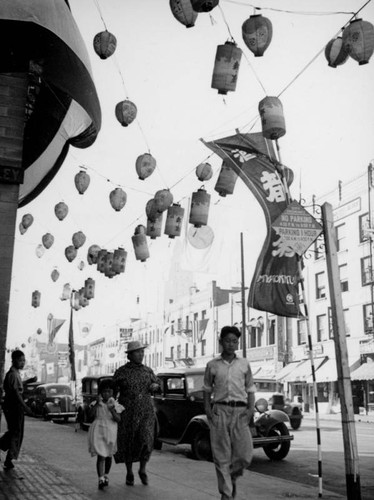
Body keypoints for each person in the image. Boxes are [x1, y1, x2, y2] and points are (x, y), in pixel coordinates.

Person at [203, 326, 255, 500]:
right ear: (221, 342)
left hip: (240, 412)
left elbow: (250, 389)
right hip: (220, 411)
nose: (231, 344)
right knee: (221, 456)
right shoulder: (212, 365)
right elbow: (206, 389)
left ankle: (231, 476)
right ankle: (226, 494)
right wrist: (208, 410)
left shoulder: (244, 364)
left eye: (235, 341)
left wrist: (250, 411)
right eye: (228, 341)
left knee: (245, 455)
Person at [113, 340, 160, 487]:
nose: (141, 354)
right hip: (128, 412)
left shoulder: (147, 371)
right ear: (130, 355)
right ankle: (129, 472)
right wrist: (112, 407)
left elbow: (158, 385)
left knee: (146, 440)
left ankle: (142, 469)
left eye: (142, 352)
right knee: (129, 440)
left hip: (146, 411)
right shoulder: (121, 372)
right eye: (138, 352)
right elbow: (113, 391)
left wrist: (155, 385)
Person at [0, 350, 34, 469]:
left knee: (14, 432)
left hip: (13, 406)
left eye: (24, 360)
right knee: (16, 433)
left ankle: (8, 456)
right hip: (14, 407)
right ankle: (8, 457)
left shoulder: (14, 374)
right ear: (14, 360)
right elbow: (16, 393)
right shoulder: (13, 374)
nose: (22, 363)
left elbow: (17, 387)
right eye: (20, 360)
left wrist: (28, 381)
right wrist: (25, 407)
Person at [88, 378, 122, 490]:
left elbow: (118, 419)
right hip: (99, 432)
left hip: (111, 431)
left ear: (113, 393)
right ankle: (101, 478)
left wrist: (112, 410)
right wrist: (97, 403)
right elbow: (91, 415)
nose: (106, 394)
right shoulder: (96, 404)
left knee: (108, 455)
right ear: (100, 393)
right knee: (101, 455)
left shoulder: (115, 405)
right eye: (104, 391)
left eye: (109, 391)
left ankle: (106, 474)